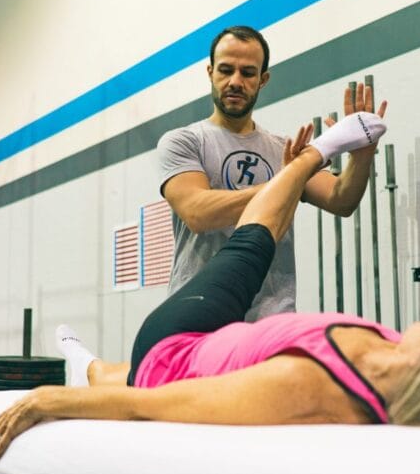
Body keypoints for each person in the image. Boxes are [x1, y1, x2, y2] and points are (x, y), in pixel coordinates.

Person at [0, 90, 420, 459]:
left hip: (179, 340)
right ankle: (86, 363)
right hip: (231, 333)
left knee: (251, 244)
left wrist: (51, 401)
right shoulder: (402, 359)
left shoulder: (313, 387)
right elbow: (194, 211)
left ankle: (317, 151)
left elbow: (156, 402)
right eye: (226, 69)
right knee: (114, 369)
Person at [158, 25, 380, 320]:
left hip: (271, 318)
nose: (235, 81)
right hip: (200, 314)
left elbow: (342, 200)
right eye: (226, 70)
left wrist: (362, 156)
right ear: (210, 72)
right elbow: (198, 213)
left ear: (263, 80)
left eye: (248, 73)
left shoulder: (283, 150)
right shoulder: (183, 141)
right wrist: (289, 178)